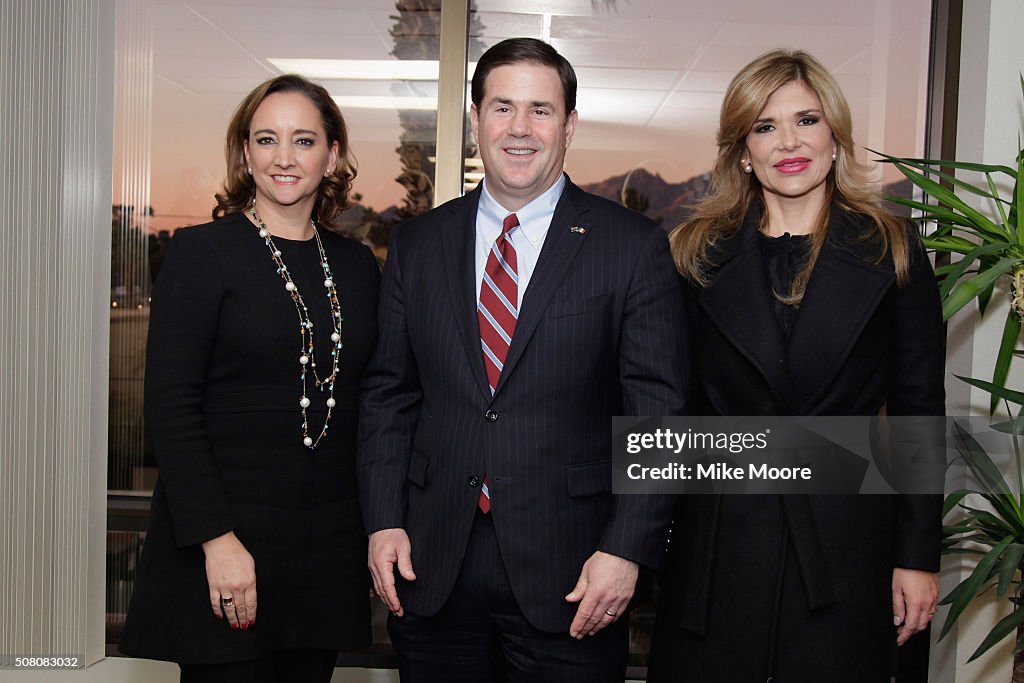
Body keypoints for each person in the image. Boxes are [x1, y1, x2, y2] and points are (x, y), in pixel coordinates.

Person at [357, 37, 689, 682]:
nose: (519, 128)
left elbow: (660, 414)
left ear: (568, 127)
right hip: (431, 565)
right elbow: (388, 395)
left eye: (541, 110)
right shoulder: (418, 244)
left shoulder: (630, 246)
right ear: (476, 118)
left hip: (575, 575)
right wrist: (382, 522)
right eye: (502, 107)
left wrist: (625, 550)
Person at [646, 49, 944, 682]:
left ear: (835, 135)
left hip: (845, 548)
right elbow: (664, 407)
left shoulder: (892, 250)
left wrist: (917, 557)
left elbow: (920, 415)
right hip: (718, 548)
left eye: (806, 120)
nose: (788, 142)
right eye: (764, 125)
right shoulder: (691, 254)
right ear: (742, 149)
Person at [119, 74, 380, 683]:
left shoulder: (357, 265)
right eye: (266, 139)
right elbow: (170, 405)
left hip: (324, 551)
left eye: (303, 140)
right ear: (244, 152)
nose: (284, 158)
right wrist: (217, 540)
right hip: (226, 549)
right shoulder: (200, 253)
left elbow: (371, 400)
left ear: (333, 153)